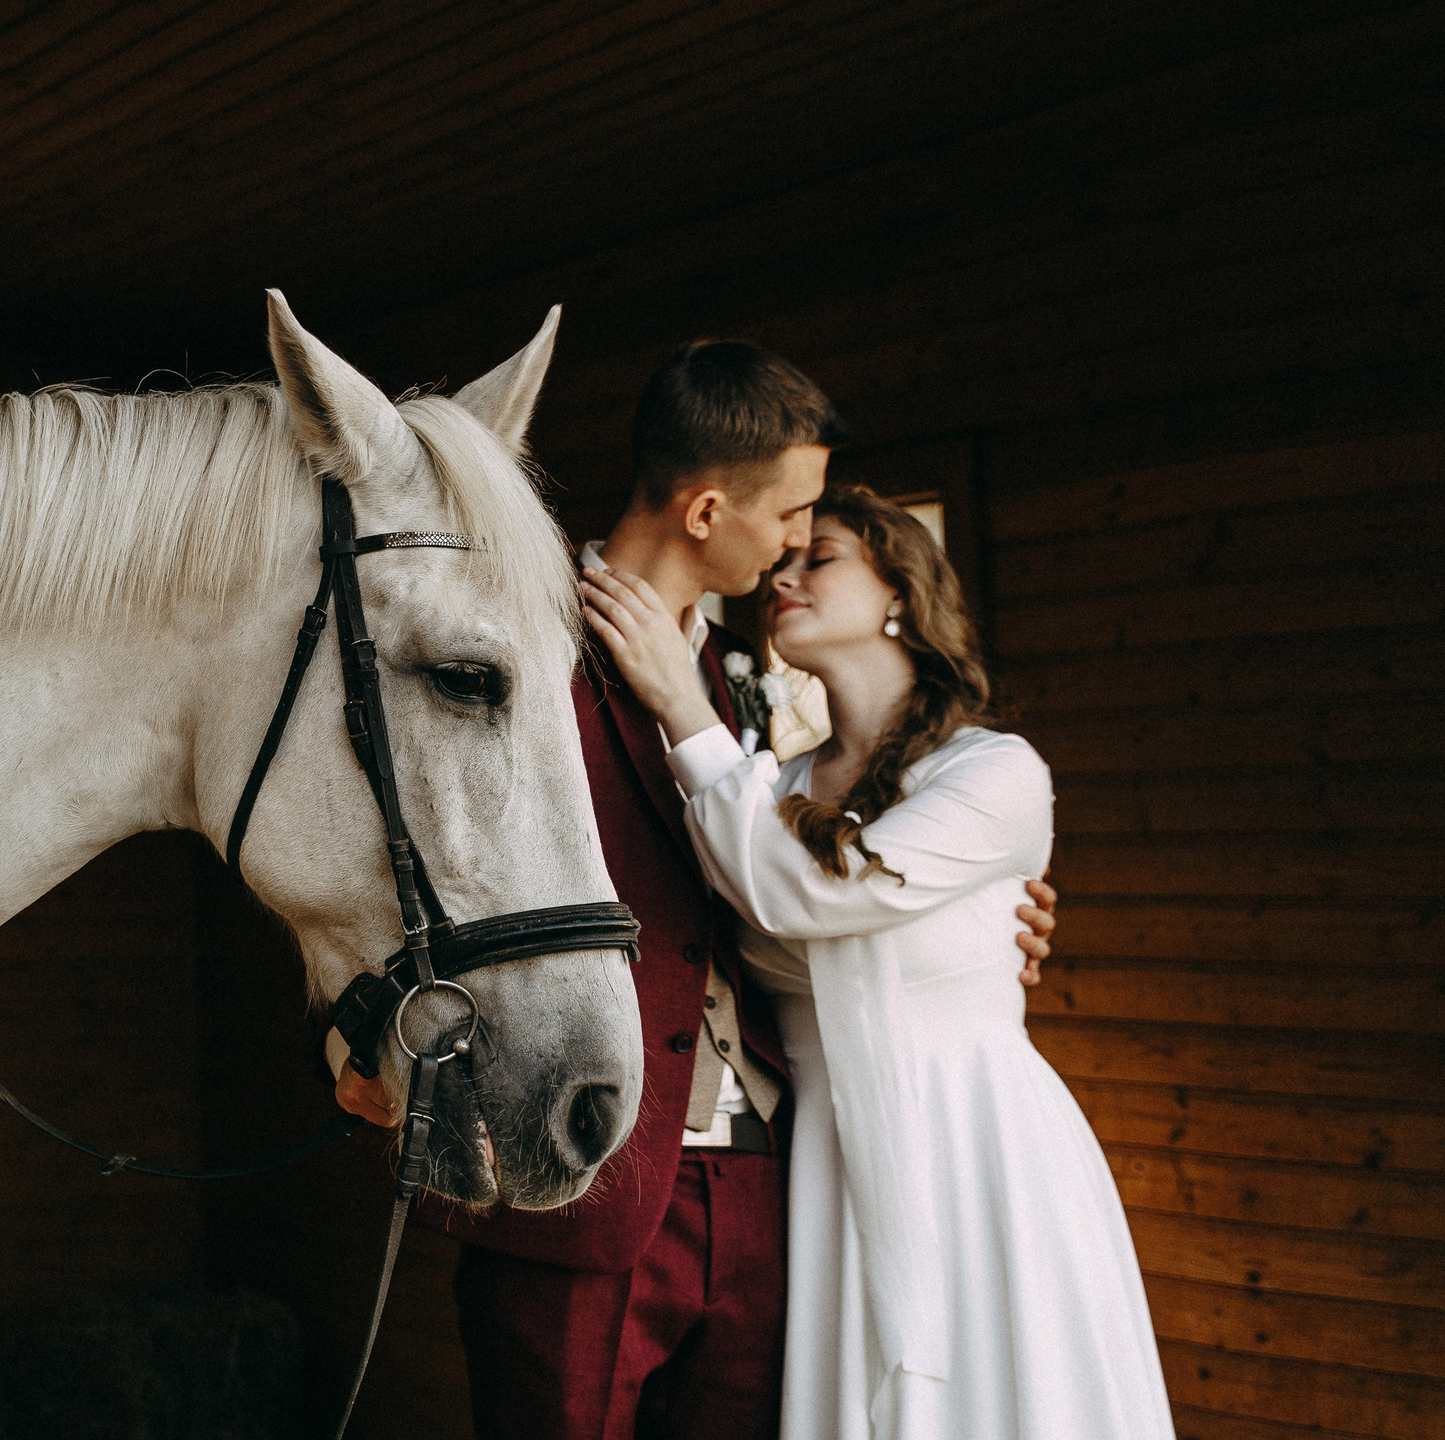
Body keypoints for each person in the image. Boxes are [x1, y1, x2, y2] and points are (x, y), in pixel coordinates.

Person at [335, 341, 1057, 1440]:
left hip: (767, 1182)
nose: (790, 555)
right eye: (788, 522)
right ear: (710, 508)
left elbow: (796, 879)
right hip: (580, 1176)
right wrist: (344, 1031)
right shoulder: (507, 648)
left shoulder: (747, 685)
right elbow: (378, 850)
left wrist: (971, 926)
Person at [578, 484, 1171, 1439]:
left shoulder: (995, 772)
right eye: (786, 559)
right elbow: (739, 922)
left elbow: (821, 896)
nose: (787, 575)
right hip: (822, 1164)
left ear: (900, 592)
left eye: (824, 557)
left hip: (976, 1148)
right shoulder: (775, 783)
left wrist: (687, 714)